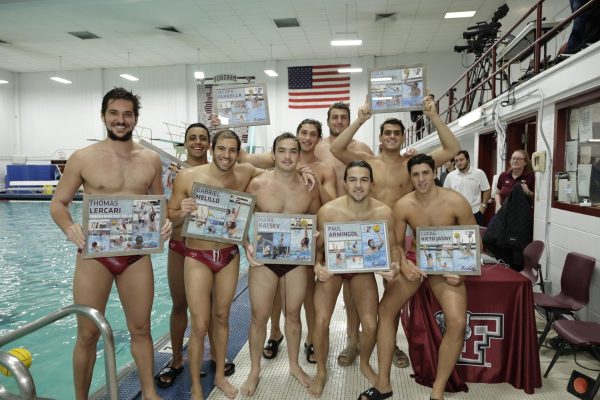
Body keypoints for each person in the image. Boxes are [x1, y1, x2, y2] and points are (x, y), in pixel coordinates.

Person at [168, 130, 314, 400]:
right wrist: (183, 210)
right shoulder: (188, 177)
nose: (226, 155)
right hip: (197, 255)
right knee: (199, 325)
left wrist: (304, 168)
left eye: (232, 150)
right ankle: (197, 387)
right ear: (212, 149)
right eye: (221, 149)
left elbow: (280, 169)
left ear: (238, 152)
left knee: (222, 317)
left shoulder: (245, 173)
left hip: (228, 254)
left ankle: (221, 376)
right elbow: (172, 215)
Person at [50, 87, 172, 400]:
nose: (121, 119)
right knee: (88, 332)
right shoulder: (83, 158)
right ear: (104, 116)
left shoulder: (150, 160)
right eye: (114, 113)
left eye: (127, 114)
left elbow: (159, 205)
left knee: (141, 328)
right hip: (95, 255)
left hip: (135, 255)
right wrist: (69, 227)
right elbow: (58, 203)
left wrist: (165, 222)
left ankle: (148, 392)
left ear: (135, 119)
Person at [330, 93, 460, 369]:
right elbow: (337, 148)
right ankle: (353, 341)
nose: (391, 137)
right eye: (386, 133)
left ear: (403, 137)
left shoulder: (412, 165)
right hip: (365, 236)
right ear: (380, 137)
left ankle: (394, 343)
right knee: (354, 293)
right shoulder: (368, 162)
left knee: (393, 294)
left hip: (396, 238)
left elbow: (451, 149)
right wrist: (360, 119)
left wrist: (434, 116)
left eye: (396, 133)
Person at [358, 153, 475, 400]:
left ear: (434, 173)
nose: (421, 179)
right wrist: (403, 263)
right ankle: (383, 384)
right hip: (416, 261)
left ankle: (438, 389)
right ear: (410, 177)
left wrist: (462, 273)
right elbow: (396, 243)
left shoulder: (457, 202)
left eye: (425, 173)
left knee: (457, 322)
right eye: (415, 174)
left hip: (449, 263)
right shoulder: (403, 205)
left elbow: (475, 243)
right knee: (385, 311)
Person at [309, 161, 400, 398]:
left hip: (362, 271)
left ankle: (365, 362)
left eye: (363, 180)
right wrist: (317, 267)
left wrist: (394, 266)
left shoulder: (383, 212)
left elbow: (392, 249)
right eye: (353, 180)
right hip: (333, 268)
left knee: (370, 324)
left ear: (372, 183)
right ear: (345, 183)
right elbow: (315, 251)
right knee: (320, 321)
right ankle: (320, 371)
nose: (358, 185)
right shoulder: (328, 211)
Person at [240, 133, 321, 396]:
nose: (287, 156)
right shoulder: (256, 184)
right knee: (259, 317)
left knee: (294, 315)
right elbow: (238, 218)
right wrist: (246, 245)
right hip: (265, 260)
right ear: (273, 154)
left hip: (295, 260)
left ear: (299, 155)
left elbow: (315, 217)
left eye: (293, 151)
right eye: (282, 151)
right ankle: (254, 370)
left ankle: (295, 366)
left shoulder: (309, 185)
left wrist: (316, 235)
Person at [156, 123, 236, 388]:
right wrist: (182, 212)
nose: (198, 142)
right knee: (181, 306)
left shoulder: (224, 169)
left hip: (215, 247)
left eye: (203, 138)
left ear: (209, 144)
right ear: (185, 142)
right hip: (182, 247)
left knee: (215, 310)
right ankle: (177, 359)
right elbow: (168, 213)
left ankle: (214, 355)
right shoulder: (176, 173)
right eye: (193, 138)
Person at [443, 150, 491, 226]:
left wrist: (483, 207)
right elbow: (445, 194)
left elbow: (487, 190)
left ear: (468, 160)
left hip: (475, 213)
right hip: (456, 214)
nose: (459, 163)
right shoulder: (450, 176)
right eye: (456, 161)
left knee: (475, 237)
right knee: (457, 237)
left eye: (461, 160)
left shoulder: (479, 173)